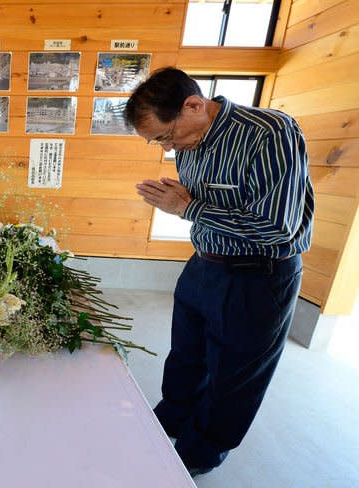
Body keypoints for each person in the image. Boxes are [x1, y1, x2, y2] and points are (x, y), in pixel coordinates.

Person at [125, 67, 314, 476]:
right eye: (159, 142)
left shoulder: (268, 132)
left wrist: (187, 209)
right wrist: (183, 205)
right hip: (203, 266)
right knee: (185, 358)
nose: (170, 147)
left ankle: (199, 454)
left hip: (259, 276)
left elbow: (277, 226)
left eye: (167, 136)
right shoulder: (191, 142)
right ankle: (169, 421)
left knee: (234, 377)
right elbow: (206, 210)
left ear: (194, 104)